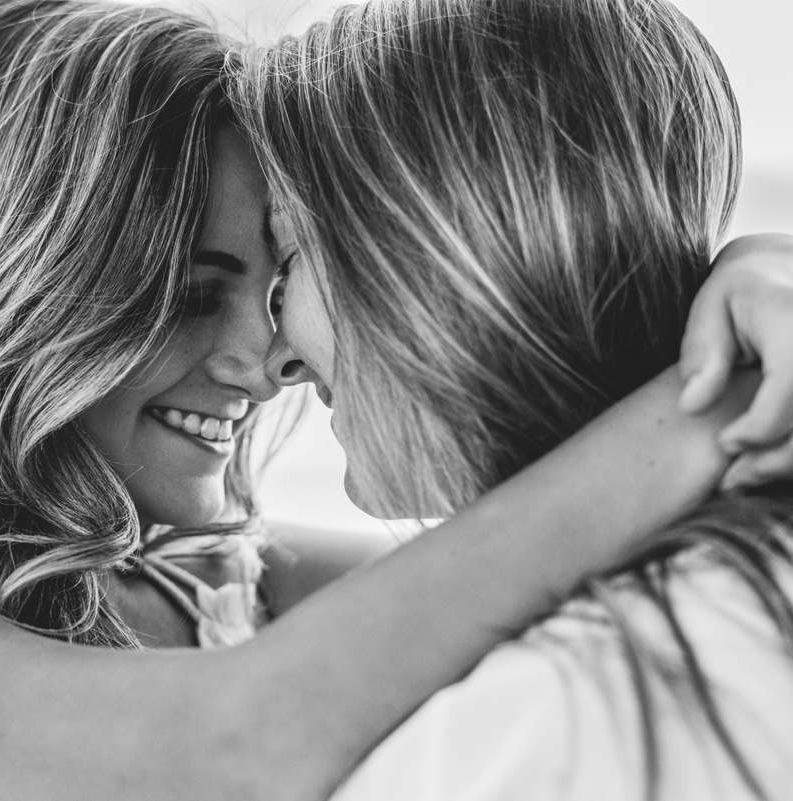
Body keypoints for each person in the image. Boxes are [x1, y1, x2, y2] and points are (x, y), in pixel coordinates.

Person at [0, 0, 793, 799]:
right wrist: (700, 402)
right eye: (183, 296)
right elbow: (229, 756)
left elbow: (530, 520)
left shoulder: (258, 587)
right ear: (13, 297)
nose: (264, 357)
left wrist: (745, 272)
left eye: (274, 286)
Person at [239, 0, 793, 796]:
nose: (275, 359)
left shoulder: (537, 724)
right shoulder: (723, 586)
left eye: (286, 259)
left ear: (419, 239)